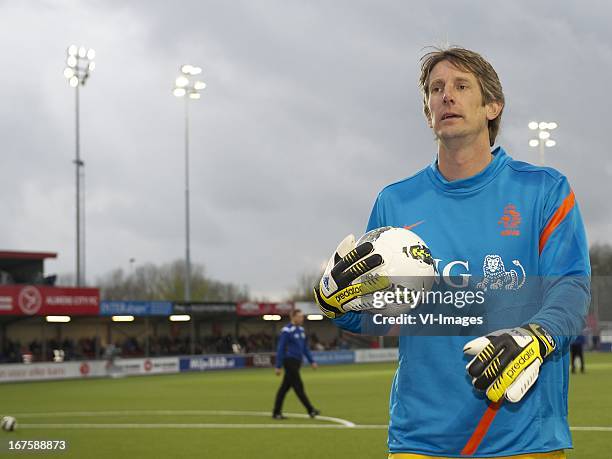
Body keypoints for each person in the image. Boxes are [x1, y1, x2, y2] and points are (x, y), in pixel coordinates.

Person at [315, 47, 590, 458]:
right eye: (436, 89)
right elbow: (380, 317)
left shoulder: (544, 191)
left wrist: (536, 336)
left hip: (525, 437)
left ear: (492, 106)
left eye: (461, 86)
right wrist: (336, 303)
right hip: (421, 440)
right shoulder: (395, 202)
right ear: (428, 111)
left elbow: (570, 289)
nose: (447, 96)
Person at [272, 309, 320, 419]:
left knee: (284, 388)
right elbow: (281, 348)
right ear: (293, 317)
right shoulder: (287, 331)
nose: (302, 319)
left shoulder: (301, 331)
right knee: (299, 387)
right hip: (289, 361)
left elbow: (305, 348)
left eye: (302, 316)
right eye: (300, 316)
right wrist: (278, 366)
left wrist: (311, 361)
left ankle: (276, 412)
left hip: (297, 362)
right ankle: (310, 410)